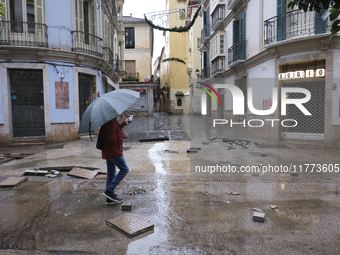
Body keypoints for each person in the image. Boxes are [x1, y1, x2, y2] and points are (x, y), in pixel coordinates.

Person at [101, 117, 131, 204]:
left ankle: (109, 198)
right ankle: (109, 190)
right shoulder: (110, 120)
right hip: (114, 151)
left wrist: (124, 123)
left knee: (111, 173)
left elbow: (115, 129)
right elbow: (111, 138)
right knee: (124, 169)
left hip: (108, 151)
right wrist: (123, 135)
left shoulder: (109, 119)